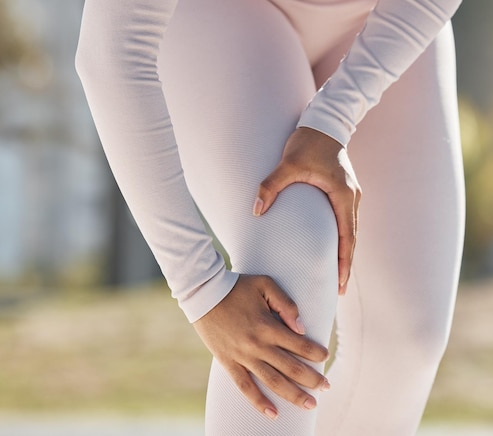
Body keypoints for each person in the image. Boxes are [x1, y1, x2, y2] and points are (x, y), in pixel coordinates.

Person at [75, 0, 465, 434]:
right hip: (221, 13)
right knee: (292, 250)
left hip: (386, 17)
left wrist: (334, 119)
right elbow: (109, 52)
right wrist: (200, 287)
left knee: (406, 337)